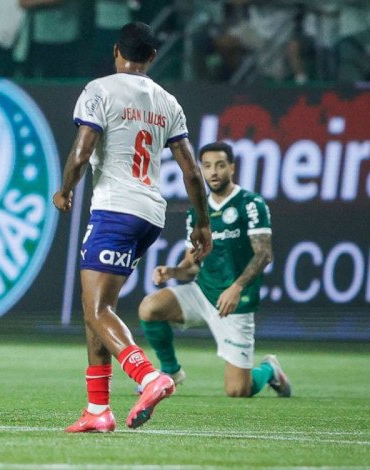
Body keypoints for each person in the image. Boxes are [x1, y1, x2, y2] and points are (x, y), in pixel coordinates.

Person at [52, 22, 213, 433]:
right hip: (149, 215)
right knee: (97, 309)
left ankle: (148, 377)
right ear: (152, 57)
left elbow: (83, 150)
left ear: (115, 51)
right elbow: (193, 172)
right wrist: (202, 224)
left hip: (114, 210)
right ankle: (96, 410)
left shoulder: (100, 90)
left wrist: (65, 189)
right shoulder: (167, 101)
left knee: (97, 310)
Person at [138, 142, 291, 399]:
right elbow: (192, 267)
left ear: (232, 167)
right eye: (207, 166)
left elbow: (264, 254)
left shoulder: (250, 204)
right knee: (150, 308)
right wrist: (172, 272)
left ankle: (269, 369)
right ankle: (171, 371)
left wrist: (236, 287)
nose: (214, 172)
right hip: (203, 292)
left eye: (220, 165)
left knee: (238, 390)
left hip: (235, 302)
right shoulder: (198, 212)